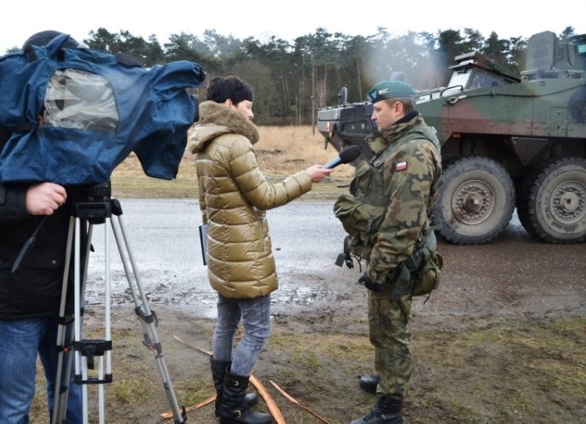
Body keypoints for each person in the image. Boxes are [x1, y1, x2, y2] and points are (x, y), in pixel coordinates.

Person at [0, 32, 84, 422]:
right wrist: (19, 201)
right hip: (11, 303)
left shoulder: (76, 127)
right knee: (11, 409)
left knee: (72, 394)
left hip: (67, 294)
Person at [188, 75, 333, 424]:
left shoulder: (205, 143)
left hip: (223, 252)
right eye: (248, 107)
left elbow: (205, 206)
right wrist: (306, 177)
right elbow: (264, 196)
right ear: (229, 106)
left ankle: (226, 397)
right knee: (257, 329)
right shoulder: (234, 143)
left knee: (225, 323)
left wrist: (217, 250)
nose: (252, 115)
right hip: (246, 256)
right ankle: (233, 410)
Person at [334, 81, 442, 424]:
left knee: (392, 330)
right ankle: (385, 378)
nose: (372, 115)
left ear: (398, 109)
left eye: (378, 109)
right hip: (388, 255)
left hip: (397, 259)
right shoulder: (398, 144)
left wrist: (379, 269)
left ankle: (389, 409)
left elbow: (404, 223)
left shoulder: (413, 153)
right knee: (381, 326)